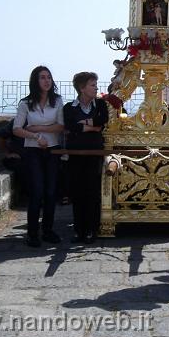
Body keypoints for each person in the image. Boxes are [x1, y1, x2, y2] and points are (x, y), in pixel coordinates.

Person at [13, 66, 65, 247]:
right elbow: (17, 129)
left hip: (53, 150)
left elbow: (60, 126)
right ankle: (32, 233)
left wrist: (38, 128)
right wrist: (35, 136)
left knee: (51, 192)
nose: (46, 81)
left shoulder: (57, 101)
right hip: (33, 150)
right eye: (42, 78)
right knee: (37, 192)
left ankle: (48, 230)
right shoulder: (25, 103)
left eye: (49, 77)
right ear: (35, 81)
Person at [63, 72, 108, 244]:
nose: (96, 88)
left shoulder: (101, 105)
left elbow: (102, 121)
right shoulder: (69, 108)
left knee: (92, 191)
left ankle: (91, 229)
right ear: (82, 88)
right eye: (92, 85)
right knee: (77, 191)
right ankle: (79, 229)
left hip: (94, 153)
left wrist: (83, 124)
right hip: (76, 154)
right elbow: (70, 126)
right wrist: (92, 125)